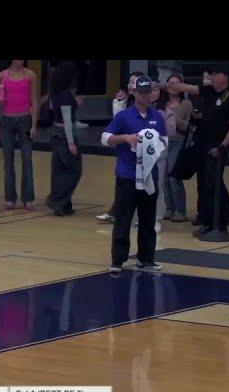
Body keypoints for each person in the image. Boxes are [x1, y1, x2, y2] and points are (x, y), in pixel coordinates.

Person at [101, 75, 167, 273]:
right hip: (127, 175)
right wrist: (126, 138)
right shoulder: (123, 116)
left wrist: (152, 144)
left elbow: (164, 143)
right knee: (123, 218)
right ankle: (118, 259)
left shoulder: (157, 117)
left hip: (149, 177)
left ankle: (146, 258)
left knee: (147, 220)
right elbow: (105, 138)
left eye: (148, 92)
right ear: (134, 92)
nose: (145, 96)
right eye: (141, 92)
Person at [168, 64, 229, 237]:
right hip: (202, 146)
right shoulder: (208, 91)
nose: (212, 77)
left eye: (216, 74)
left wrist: (222, 146)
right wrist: (175, 86)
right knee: (204, 183)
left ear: (225, 77)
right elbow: (192, 88)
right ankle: (210, 218)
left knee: (212, 184)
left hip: (217, 147)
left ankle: (216, 222)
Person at [97, 71, 145, 223]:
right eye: (129, 82)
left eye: (134, 82)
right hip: (125, 150)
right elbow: (116, 124)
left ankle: (142, 216)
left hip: (143, 151)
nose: (131, 85)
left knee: (142, 184)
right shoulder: (125, 102)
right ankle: (117, 212)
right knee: (123, 181)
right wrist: (118, 102)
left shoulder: (146, 106)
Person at [0, 60, 39, 210]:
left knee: (27, 158)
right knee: (8, 160)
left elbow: (35, 101)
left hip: (25, 120)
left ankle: (28, 198)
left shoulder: (30, 75)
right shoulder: (1, 76)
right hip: (7, 121)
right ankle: (10, 197)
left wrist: (34, 125)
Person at [47, 61, 82, 216]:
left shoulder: (55, 94)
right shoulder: (67, 96)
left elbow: (52, 109)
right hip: (64, 134)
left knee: (59, 170)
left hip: (54, 132)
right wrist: (71, 142)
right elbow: (67, 120)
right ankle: (57, 200)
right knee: (74, 170)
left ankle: (64, 204)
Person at [158, 74, 193, 222]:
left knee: (173, 176)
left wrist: (174, 120)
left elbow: (190, 127)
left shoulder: (186, 104)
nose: (173, 86)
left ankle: (180, 210)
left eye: (177, 83)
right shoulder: (161, 104)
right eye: (170, 83)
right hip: (163, 142)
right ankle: (169, 208)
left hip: (178, 142)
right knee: (163, 177)